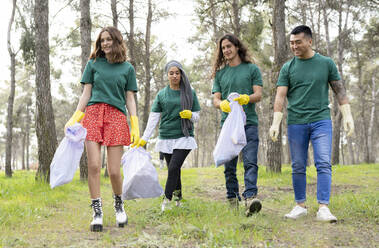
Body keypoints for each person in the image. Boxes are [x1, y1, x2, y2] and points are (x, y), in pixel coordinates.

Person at [269, 25, 354, 222]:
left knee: (323, 162)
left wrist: (347, 115)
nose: (294, 46)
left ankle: (323, 207)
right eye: (291, 43)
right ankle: (300, 206)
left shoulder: (326, 63)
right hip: (296, 122)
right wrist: (275, 122)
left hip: (321, 121)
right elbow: (280, 96)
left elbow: (339, 90)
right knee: (298, 165)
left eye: (298, 42)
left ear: (309, 41)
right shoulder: (287, 68)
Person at [64, 26, 140, 232]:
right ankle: (97, 212)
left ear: (117, 41)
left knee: (114, 171)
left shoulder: (127, 69)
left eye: (109, 40)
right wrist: (75, 117)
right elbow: (86, 93)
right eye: (102, 40)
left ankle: (119, 205)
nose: (105, 43)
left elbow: (130, 97)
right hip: (94, 114)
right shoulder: (93, 64)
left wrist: (134, 124)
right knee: (94, 166)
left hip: (116, 116)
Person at [136, 60, 201, 212]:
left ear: (181, 74)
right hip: (166, 137)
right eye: (171, 73)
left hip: (184, 136)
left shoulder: (190, 92)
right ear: (167, 75)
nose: (174, 76)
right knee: (175, 170)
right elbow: (154, 118)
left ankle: (166, 199)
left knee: (173, 167)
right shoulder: (162, 95)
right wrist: (145, 138)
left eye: (177, 73)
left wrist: (190, 114)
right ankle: (179, 199)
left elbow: (197, 116)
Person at [211, 33, 263, 216]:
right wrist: (221, 104)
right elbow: (215, 99)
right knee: (229, 165)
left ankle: (250, 198)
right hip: (228, 126)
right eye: (223, 48)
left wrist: (246, 98)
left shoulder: (251, 69)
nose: (226, 50)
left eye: (229, 46)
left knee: (250, 161)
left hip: (249, 123)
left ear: (237, 47)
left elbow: (259, 94)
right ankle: (232, 199)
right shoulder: (220, 73)